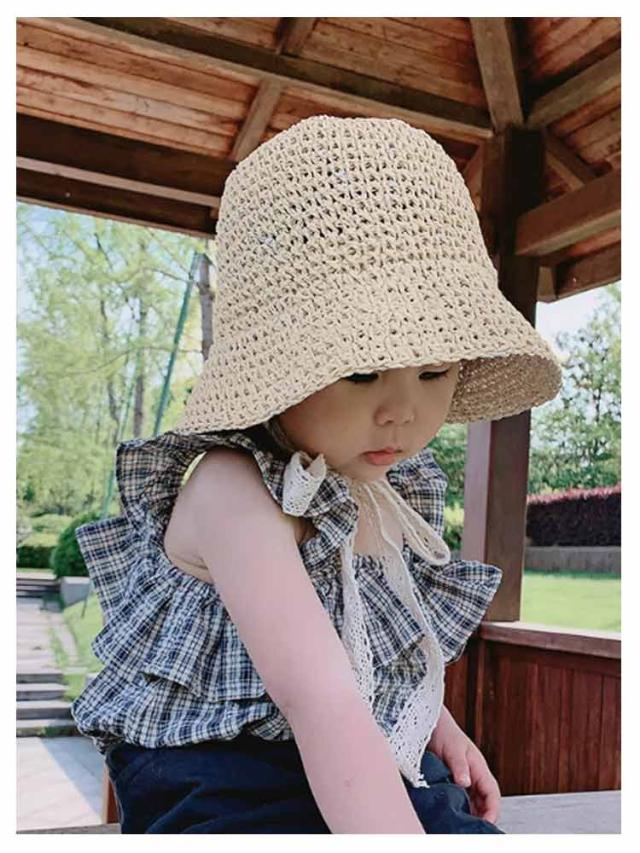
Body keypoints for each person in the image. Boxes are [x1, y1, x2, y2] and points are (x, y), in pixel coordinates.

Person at [71, 115, 562, 834]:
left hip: (347, 745)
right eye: (362, 373)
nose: (402, 411)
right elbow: (319, 695)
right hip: (221, 772)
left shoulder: (373, 491)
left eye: (433, 372)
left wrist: (434, 725)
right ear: (279, 369)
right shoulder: (232, 490)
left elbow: (365, 650)